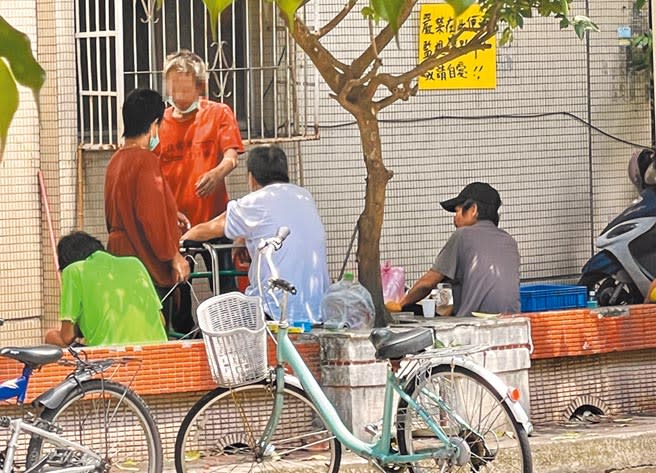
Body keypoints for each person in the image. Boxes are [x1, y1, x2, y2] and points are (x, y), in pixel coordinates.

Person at [182, 145, 329, 324]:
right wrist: (244, 237)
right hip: (316, 311)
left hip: (274, 311)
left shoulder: (254, 202)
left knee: (220, 317)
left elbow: (208, 229)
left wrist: (180, 244)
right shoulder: (304, 196)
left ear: (251, 178)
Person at [157, 50, 245, 293]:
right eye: (173, 90)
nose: (179, 97)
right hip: (176, 225)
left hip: (214, 220)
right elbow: (152, 174)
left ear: (201, 86)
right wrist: (168, 208)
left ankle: (229, 328)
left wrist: (217, 173)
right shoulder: (159, 123)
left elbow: (232, 156)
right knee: (179, 290)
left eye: (185, 91)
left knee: (225, 285)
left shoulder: (219, 113)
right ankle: (185, 329)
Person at [104, 88, 190, 331]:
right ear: (154, 124)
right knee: (155, 333)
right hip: (144, 262)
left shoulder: (115, 161)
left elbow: (121, 209)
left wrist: (170, 212)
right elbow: (150, 218)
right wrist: (174, 256)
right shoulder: (146, 160)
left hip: (119, 257)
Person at [387, 182, 520, 317]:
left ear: (473, 209)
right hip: (513, 321)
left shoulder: (463, 235)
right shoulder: (510, 241)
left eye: (457, 211)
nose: (455, 217)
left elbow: (427, 284)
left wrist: (400, 304)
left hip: (473, 325)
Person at [45, 231, 167, 347]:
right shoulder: (135, 264)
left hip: (110, 357)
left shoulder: (74, 270)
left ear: (67, 262)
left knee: (51, 336)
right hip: (157, 349)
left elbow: (67, 336)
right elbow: (161, 321)